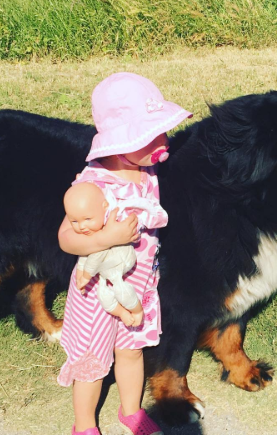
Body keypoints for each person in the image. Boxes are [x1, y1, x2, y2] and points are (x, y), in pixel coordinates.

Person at [57, 72, 192, 435]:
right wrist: (108, 237)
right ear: (119, 141)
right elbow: (66, 238)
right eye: (151, 136)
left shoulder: (146, 168)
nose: (162, 142)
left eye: (162, 131)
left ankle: (130, 411)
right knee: (92, 363)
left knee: (132, 353)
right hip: (97, 295)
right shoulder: (94, 183)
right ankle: (83, 424)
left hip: (141, 287)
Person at [63, 180, 168, 327]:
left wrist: (85, 276)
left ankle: (137, 311)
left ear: (104, 207)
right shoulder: (91, 231)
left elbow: (94, 257)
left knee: (121, 289)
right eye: (74, 221)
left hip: (120, 262)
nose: (82, 226)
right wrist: (80, 275)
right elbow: (83, 257)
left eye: (87, 219)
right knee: (103, 294)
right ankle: (121, 312)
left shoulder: (110, 220)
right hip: (106, 272)